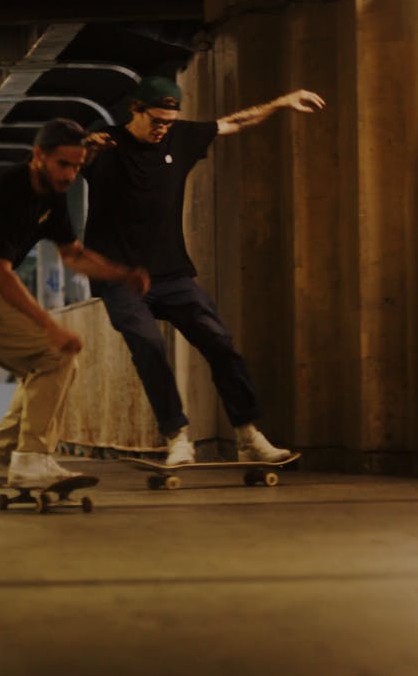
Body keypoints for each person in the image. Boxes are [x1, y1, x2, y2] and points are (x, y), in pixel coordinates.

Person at [84, 76, 325, 467]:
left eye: (169, 121)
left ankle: (248, 435)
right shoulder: (105, 144)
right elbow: (64, 160)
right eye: (156, 120)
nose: (162, 129)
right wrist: (84, 148)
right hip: (119, 277)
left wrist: (283, 101)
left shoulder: (180, 138)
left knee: (220, 343)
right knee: (149, 345)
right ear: (135, 110)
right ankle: (177, 436)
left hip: (172, 275)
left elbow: (235, 122)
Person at [0, 118, 148, 490]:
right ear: (38, 156)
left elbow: (73, 255)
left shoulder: (52, 197)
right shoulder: (8, 191)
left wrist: (121, 274)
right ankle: (30, 459)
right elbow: (0, 275)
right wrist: (50, 325)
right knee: (52, 354)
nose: (70, 175)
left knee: (54, 361)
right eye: (63, 164)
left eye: (77, 166)